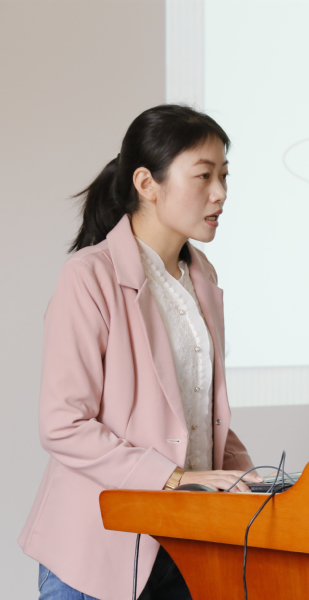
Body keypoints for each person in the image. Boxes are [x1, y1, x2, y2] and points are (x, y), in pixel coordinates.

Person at [18, 104, 263, 600]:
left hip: (187, 545)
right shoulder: (89, 276)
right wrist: (173, 478)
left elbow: (196, 413)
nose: (220, 193)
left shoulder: (202, 275)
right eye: (204, 176)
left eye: (224, 176)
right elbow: (63, 425)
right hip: (98, 554)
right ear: (147, 183)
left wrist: (251, 478)